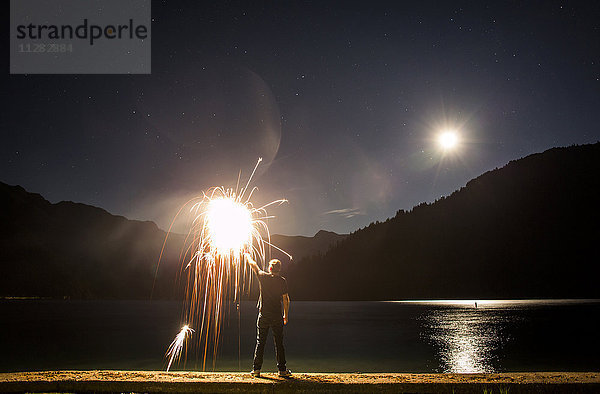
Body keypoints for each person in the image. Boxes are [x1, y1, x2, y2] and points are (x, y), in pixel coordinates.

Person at [244, 252, 292, 378]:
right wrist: (285, 315)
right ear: (279, 269)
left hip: (264, 315)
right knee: (279, 343)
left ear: (270, 268)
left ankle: (256, 370)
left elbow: (254, 265)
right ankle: (282, 370)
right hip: (277, 316)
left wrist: (247, 256)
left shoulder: (263, 276)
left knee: (260, 342)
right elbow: (286, 299)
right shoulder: (282, 281)